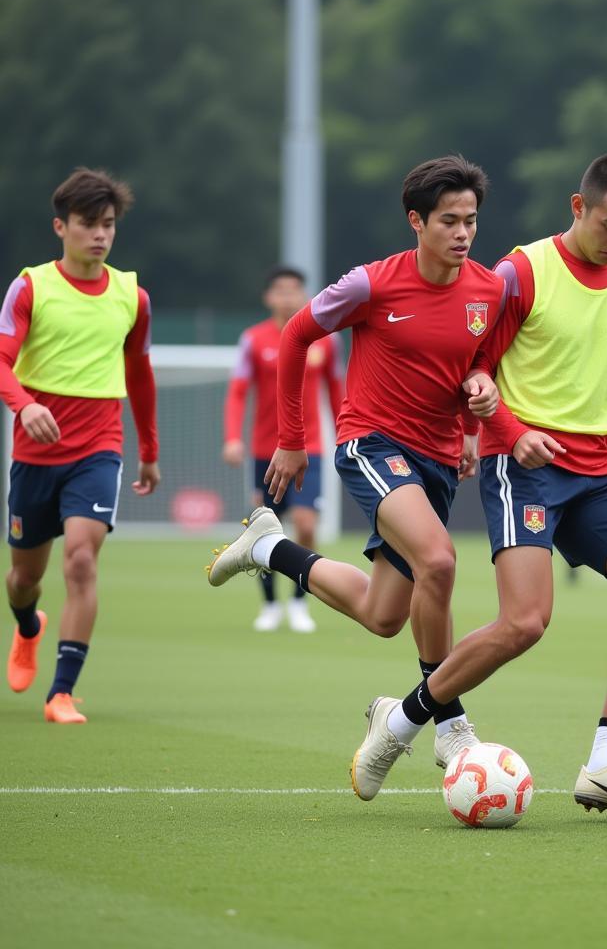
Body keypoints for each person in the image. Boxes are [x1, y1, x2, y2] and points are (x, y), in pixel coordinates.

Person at [351, 153, 607, 819]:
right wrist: (509, 434)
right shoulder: (520, 273)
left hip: (598, 469)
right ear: (578, 207)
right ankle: (400, 724)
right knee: (525, 623)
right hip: (525, 469)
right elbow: (473, 369)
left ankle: (605, 765)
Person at [206, 154, 503, 767]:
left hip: (439, 461)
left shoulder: (488, 290)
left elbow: (480, 363)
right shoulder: (371, 284)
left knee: (383, 614)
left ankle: (267, 549)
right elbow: (295, 337)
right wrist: (292, 438)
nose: (463, 233)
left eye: (470, 220)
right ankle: (447, 721)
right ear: (415, 221)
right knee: (440, 563)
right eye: (449, 220)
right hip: (371, 445)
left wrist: (476, 414)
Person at [1, 167, 160, 723]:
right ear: (60, 227)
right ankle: (28, 626)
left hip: (99, 447)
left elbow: (139, 373)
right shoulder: (29, 287)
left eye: (108, 224)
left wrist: (151, 449)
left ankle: (61, 693)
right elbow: (1, 361)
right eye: (88, 224)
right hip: (34, 454)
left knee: (81, 561)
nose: (100, 234)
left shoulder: (131, 296)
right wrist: (26, 405)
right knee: (24, 580)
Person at [223, 266, 345, 633]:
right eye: (280, 290)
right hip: (266, 451)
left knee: (306, 525)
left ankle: (298, 601)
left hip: (312, 451)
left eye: (295, 290)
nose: (288, 297)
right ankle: (271, 604)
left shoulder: (325, 341)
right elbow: (238, 392)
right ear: (268, 297)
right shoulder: (253, 340)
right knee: (263, 529)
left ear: (305, 295)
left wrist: (346, 435)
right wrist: (232, 437)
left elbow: (337, 391)